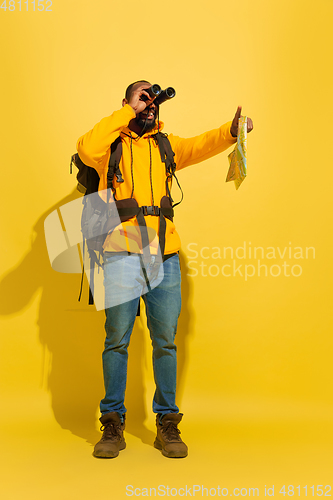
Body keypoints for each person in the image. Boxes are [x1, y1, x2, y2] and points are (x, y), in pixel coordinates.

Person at [76, 80, 254, 459]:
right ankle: (112, 423)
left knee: (165, 341)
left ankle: (167, 423)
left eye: (152, 99)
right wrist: (129, 111)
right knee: (117, 340)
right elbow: (85, 146)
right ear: (126, 102)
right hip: (120, 254)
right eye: (142, 97)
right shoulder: (110, 146)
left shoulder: (165, 145)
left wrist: (231, 131)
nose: (150, 103)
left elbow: (200, 145)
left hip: (165, 255)